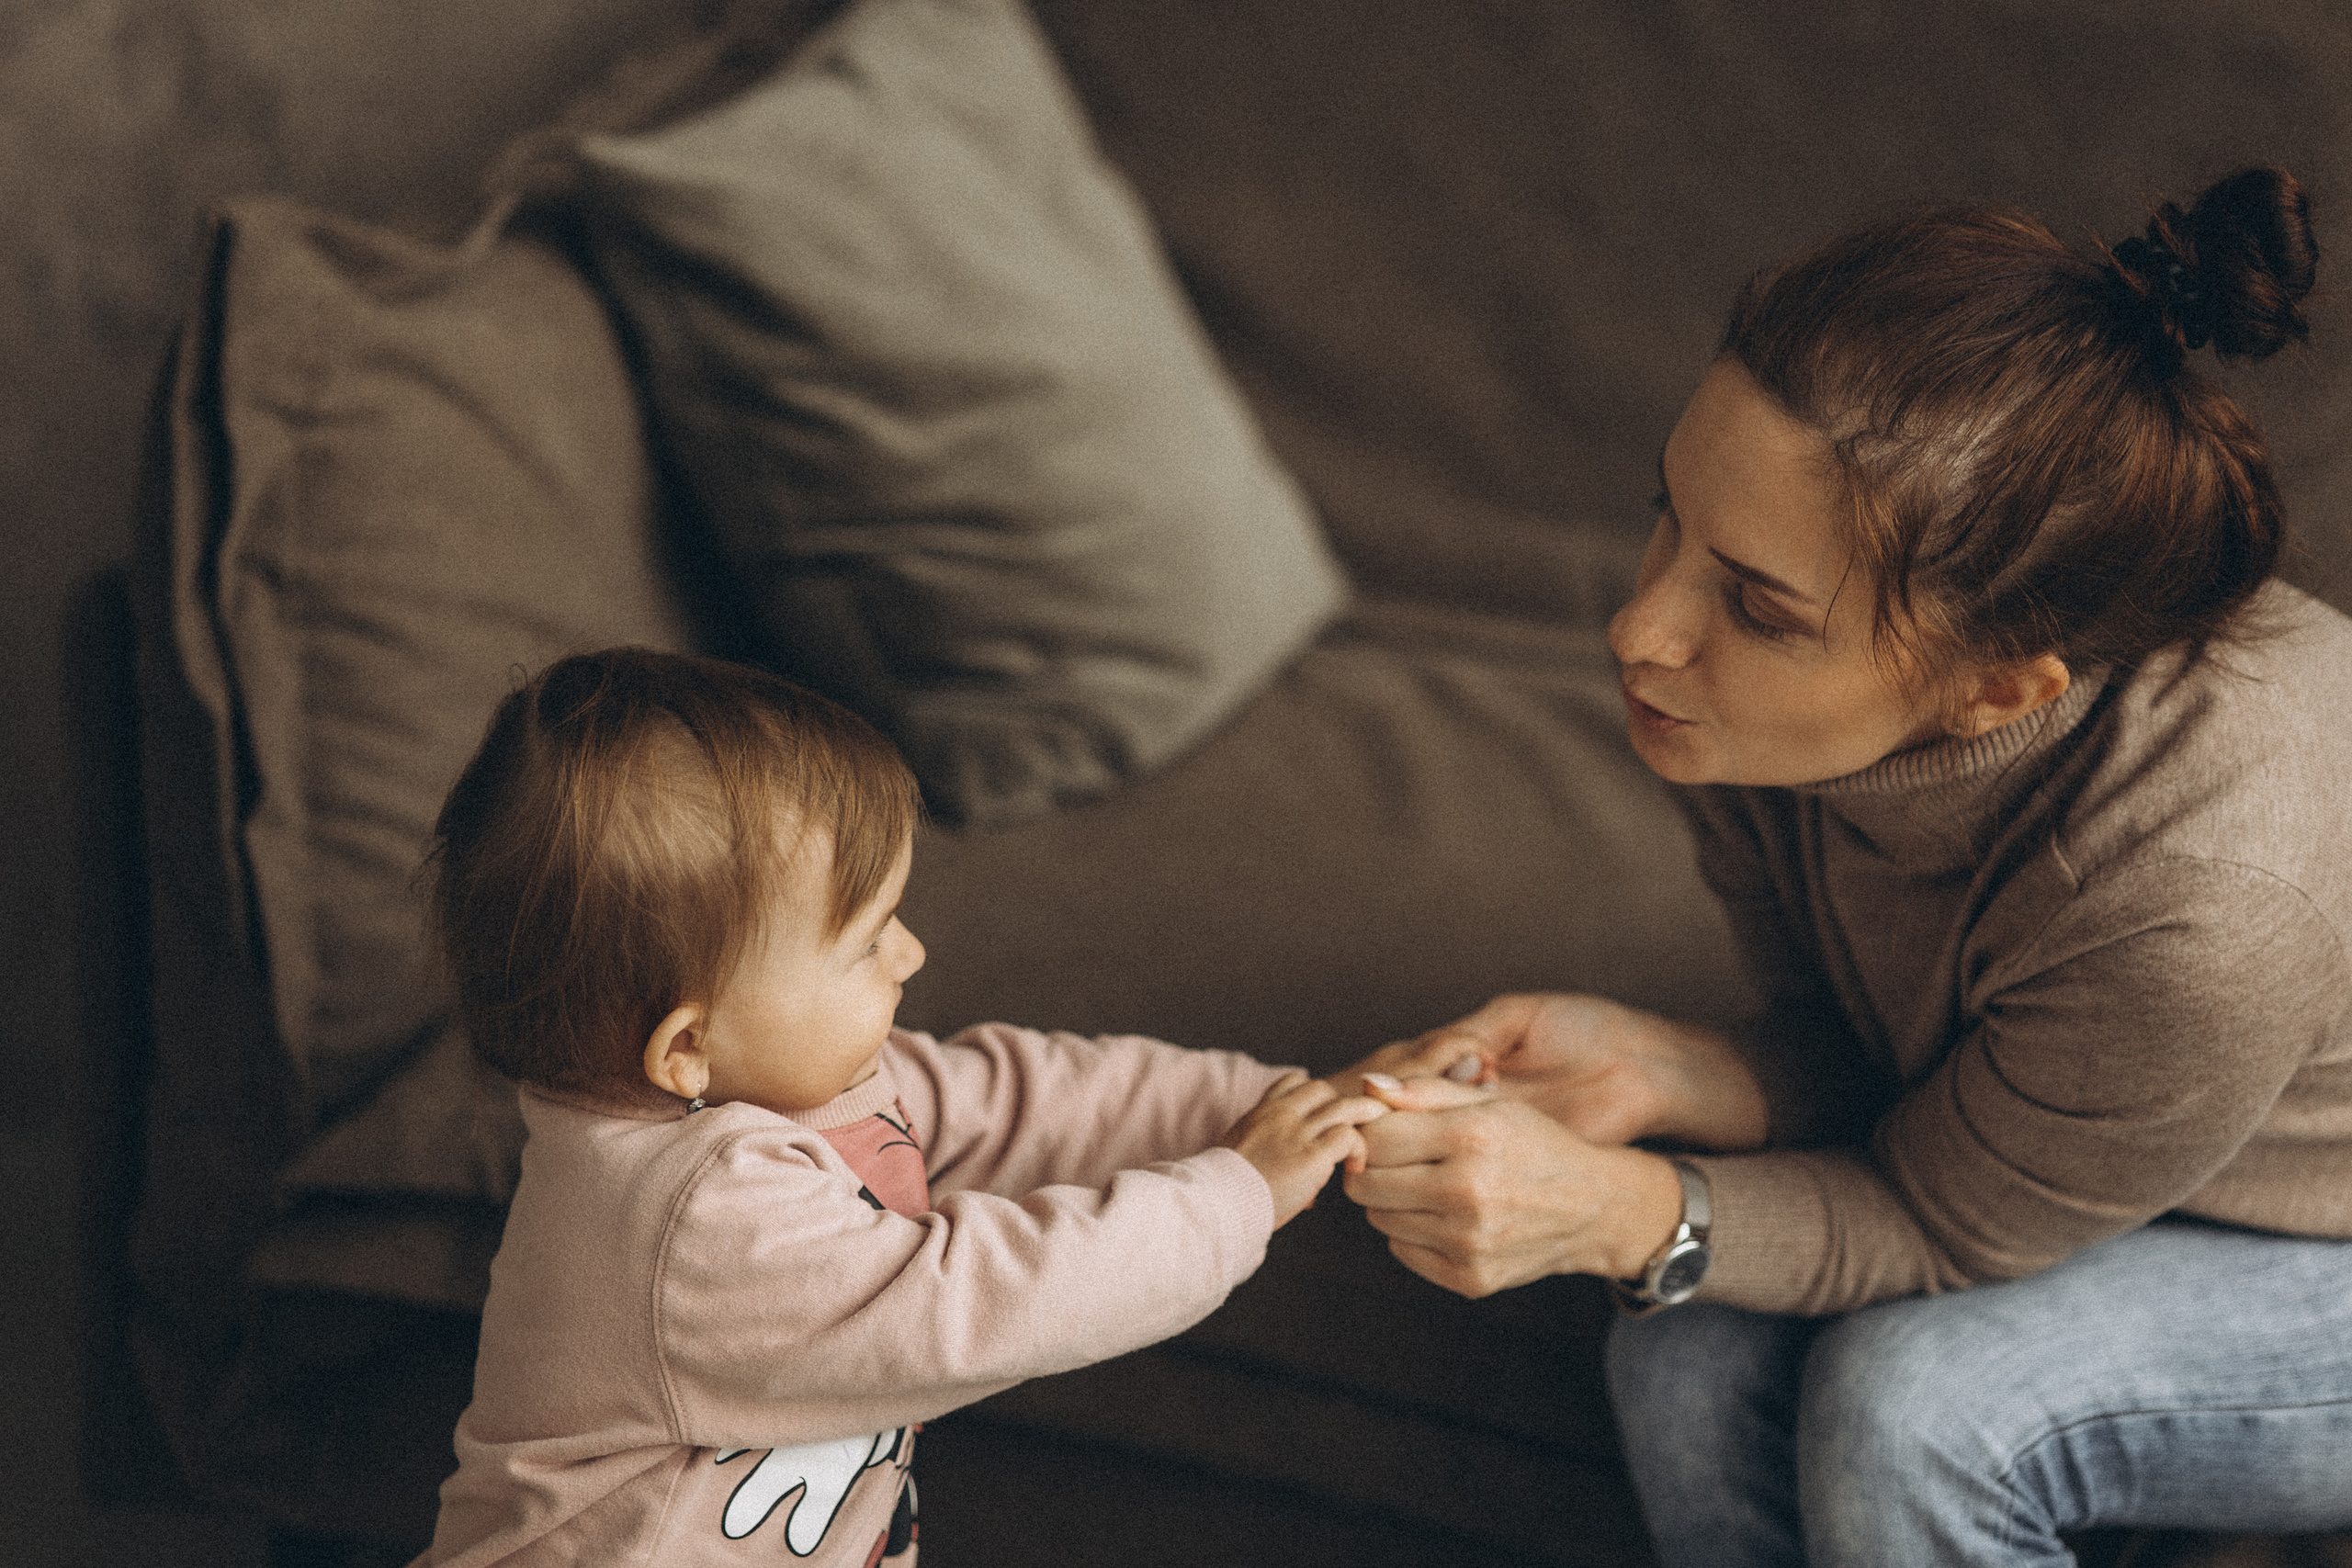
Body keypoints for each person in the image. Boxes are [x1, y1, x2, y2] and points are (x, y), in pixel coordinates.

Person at [1340, 165, 2352, 1563]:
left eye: (1755, 606)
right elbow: (1917, 1062)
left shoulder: (2203, 900)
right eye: (1666, 516)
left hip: (2323, 1246)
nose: (1642, 627)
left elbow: (1948, 1216)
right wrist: (1678, 1065)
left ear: (1996, 692)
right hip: (2120, 1157)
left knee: (1926, 1403)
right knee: (1684, 1354)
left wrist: (1632, 1207)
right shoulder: (1743, 727)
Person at [410, 647, 1390, 1568]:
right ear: (687, 1048)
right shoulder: (695, 1220)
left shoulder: (793, 1087)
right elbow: (976, 1302)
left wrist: (1268, 1102)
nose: (910, 954)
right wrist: (1235, 1196)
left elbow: (1023, 1100)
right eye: (868, 940)